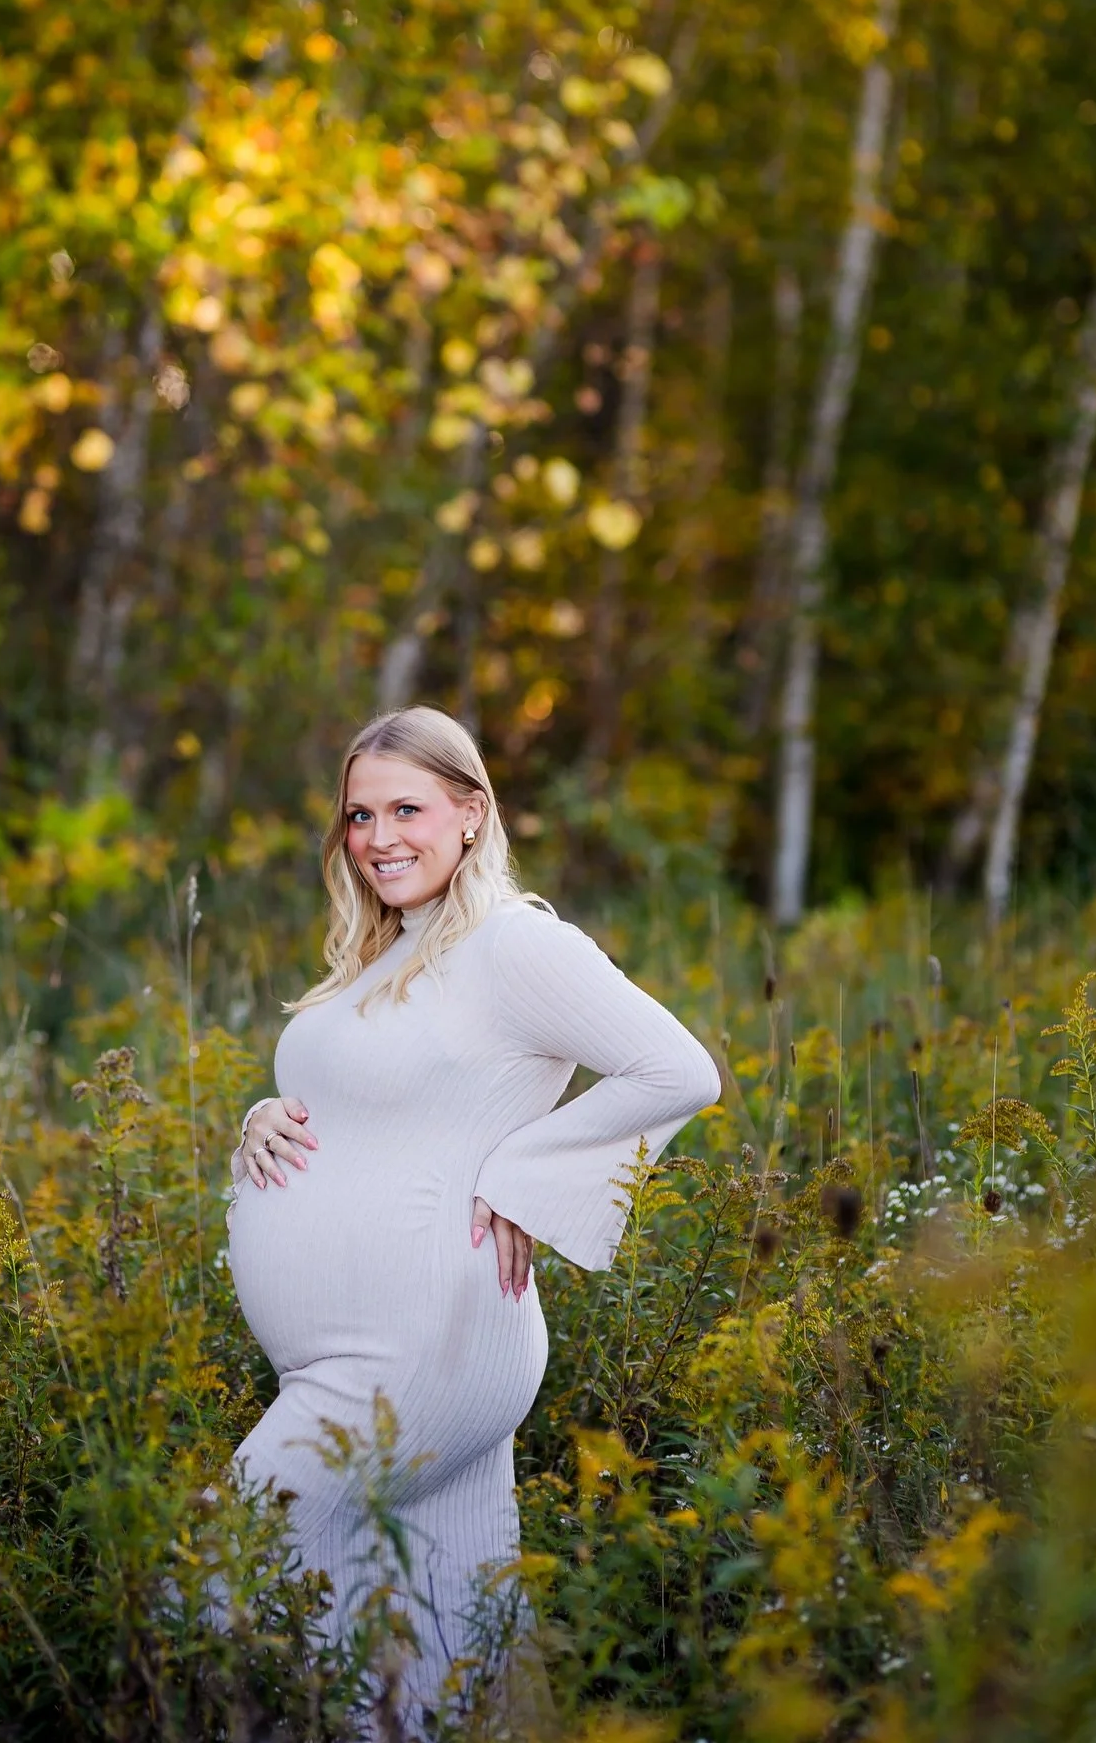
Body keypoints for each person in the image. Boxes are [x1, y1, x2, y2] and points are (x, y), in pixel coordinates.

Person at [224, 706, 721, 1728]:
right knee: (422, 1652)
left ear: (471, 812)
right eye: (359, 816)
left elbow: (679, 1070)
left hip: (424, 1348)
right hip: (355, 1355)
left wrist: (530, 1177)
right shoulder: (382, 954)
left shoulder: (513, 944)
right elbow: (373, 1101)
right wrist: (262, 1117)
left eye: (406, 807)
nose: (378, 837)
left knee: (213, 1576)